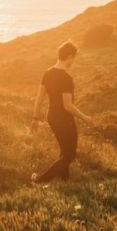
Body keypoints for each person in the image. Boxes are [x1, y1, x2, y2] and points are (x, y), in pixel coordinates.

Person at [31, 40, 93, 182]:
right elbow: (68, 106)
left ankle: (64, 179)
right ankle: (40, 180)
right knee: (69, 155)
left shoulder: (47, 73)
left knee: (64, 150)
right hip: (64, 120)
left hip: (51, 117)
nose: (73, 62)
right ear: (70, 56)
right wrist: (85, 118)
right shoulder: (66, 78)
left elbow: (39, 98)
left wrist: (35, 118)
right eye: (74, 58)